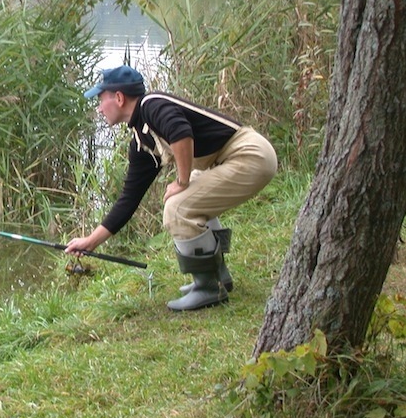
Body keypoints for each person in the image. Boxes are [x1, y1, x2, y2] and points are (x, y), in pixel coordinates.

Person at [65, 65, 277, 311]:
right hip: (237, 158)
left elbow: (181, 133)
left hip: (249, 156)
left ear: (119, 98)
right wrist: (91, 241)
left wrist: (182, 180)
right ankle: (218, 277)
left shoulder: (152, 105)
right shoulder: (141, 138)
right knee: (185, 199)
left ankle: (208, 288)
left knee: (178, 207)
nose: (99, 108)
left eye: (101, 100)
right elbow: (129, 199)